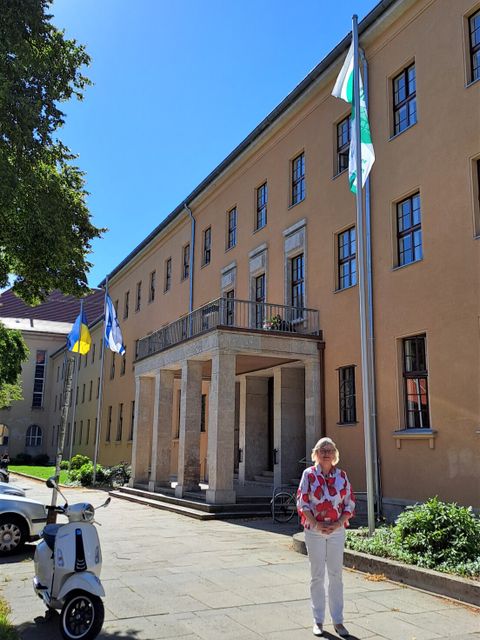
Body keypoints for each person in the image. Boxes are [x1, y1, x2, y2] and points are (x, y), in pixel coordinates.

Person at [297, 437, 355, 638]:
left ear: (335, 454)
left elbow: (350, 504)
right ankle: (318, 620)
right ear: (316, 454)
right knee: (317, 575)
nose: (327, 453)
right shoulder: (309, 475)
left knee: (336, 576)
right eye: (323, 450)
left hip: (337, 531)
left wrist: (338, 524)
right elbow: (302, 502)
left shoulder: (342, 476)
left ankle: (338, 621)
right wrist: (317, 523)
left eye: (330, 450)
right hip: (314, 531)